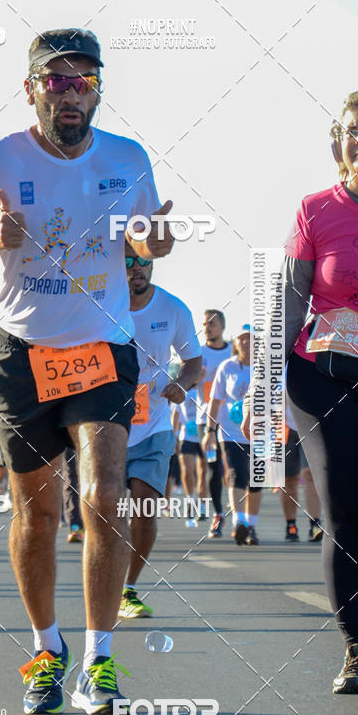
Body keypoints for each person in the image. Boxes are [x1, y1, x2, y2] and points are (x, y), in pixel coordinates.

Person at [0, 28, 174, 715]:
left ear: (99, 89)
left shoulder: (127, 158)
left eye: (85, 81)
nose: (72, 95)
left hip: (101, 348)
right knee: (38, 514)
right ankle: (48, 648)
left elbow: (143, 240)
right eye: (57, 81)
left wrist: (152, 242)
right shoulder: (1, 159)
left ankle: (98, 660)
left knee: (102, 496)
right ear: (32, 88)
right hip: (23, 355)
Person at [244, 92, 358, 693]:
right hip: (326, 379)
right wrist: (261, 394)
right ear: (338, 141)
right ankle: (357, 646)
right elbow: (286, 304)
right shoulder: (316, 210)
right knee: (345, 510)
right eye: (353, 131)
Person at [119, 248, 202, 619]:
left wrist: (182, 384)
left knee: (144, 510)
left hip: (154, 427)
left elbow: (193, 362)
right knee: (105, 513)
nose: (137, 270)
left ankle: (128, 588)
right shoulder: (97, 304)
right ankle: (105, 579)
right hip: (105, 426)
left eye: (143, 263)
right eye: (128, 263)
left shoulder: (173, 309)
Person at [204, 326, 261, 544]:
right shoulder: (227, 367)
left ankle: (252, 527)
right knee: (237, 474)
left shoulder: (267, 366)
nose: (246, 343)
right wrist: (210, 430)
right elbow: (216, 400)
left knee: (256, 480)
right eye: (242, 339)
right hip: (231, 432)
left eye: (250, 339)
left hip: (260, 431)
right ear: (235, 343)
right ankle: (240, 523)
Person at [197, 310, 231, 538]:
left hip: (232, 421)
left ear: (223, 326)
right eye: (205, 323)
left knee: (237, 469)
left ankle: (243, 517)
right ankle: (218, 514)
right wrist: (192, 377)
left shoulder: (233, 353)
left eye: (212, 323)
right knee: (213, 467)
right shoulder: (197, 354)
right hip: (206, 420)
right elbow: (186, 385)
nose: (208, 327)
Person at [279, 403, 323, 542]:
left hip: (309, 425)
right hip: (283, 428)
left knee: (309, 474)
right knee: (288, 481)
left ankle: (315, 523)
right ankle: (291, 524)